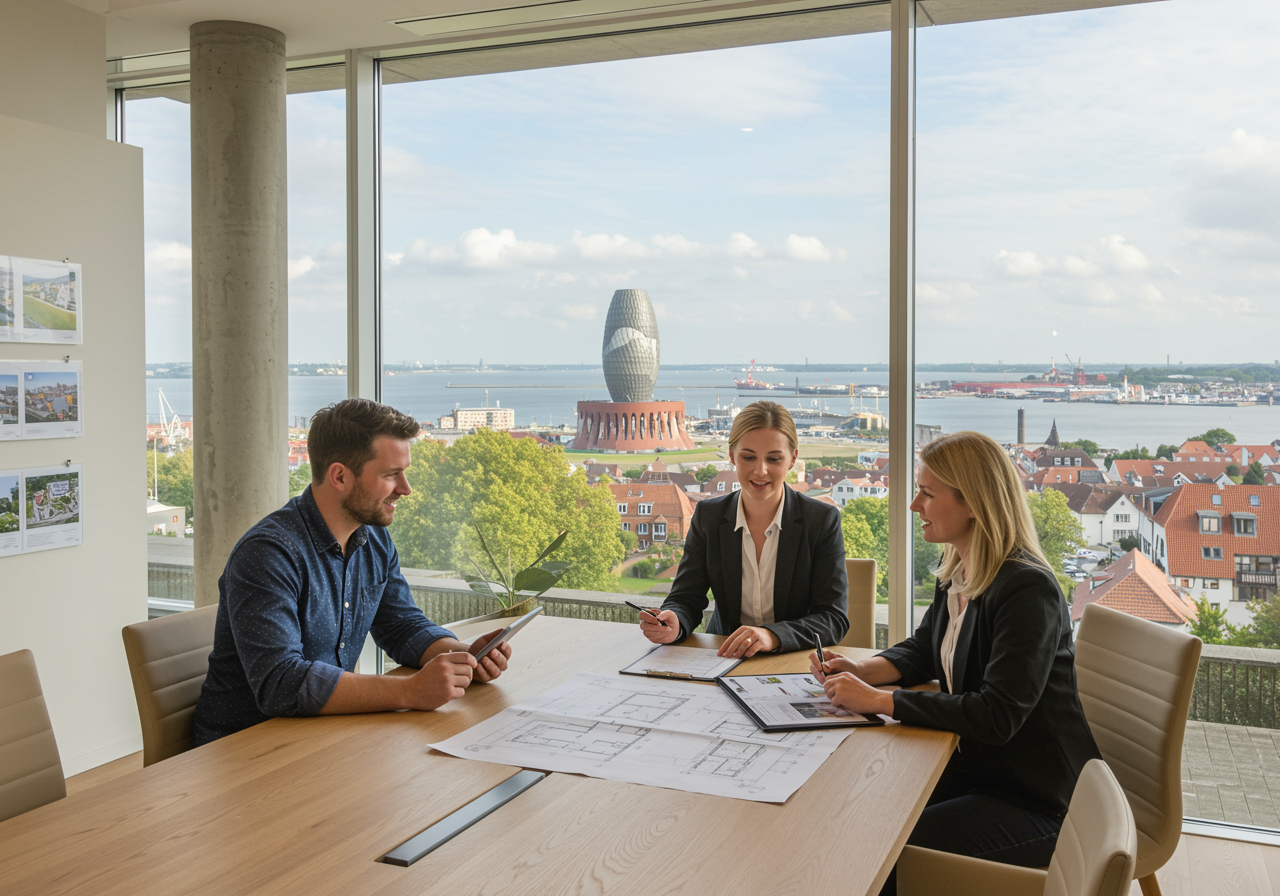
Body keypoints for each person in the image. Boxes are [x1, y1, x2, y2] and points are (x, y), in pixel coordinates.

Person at [810, 431, 1100, 887]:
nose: (913, 506)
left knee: (883, 851)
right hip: (984, 772)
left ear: (973, 503)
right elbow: (926, 648)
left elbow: (996, 714)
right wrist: (864, 670)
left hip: (1041, 801)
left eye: (926, 493)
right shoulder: (962, 570)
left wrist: (880, 701)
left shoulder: (1028, 591)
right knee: (857, 813)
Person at [193, 398, 513, 746]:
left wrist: (458, 656)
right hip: (243, 752)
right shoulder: (268, 554)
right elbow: (281, 684)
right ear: (340, 476)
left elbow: (401, 624)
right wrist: (409, 691)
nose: (405, 489)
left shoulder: (373, 537)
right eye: (391, 475)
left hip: (321, 737)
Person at [639, 400, 849, 657]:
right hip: (724, 657)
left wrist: (772, 635)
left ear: (793, 458)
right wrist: (674, 622)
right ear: (731, 455)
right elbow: (686, 598)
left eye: (774, 458)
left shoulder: (821, 520)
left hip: (794, 661)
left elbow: (832, 618)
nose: (760, 470)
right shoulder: (709, 516)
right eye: (748, 457)